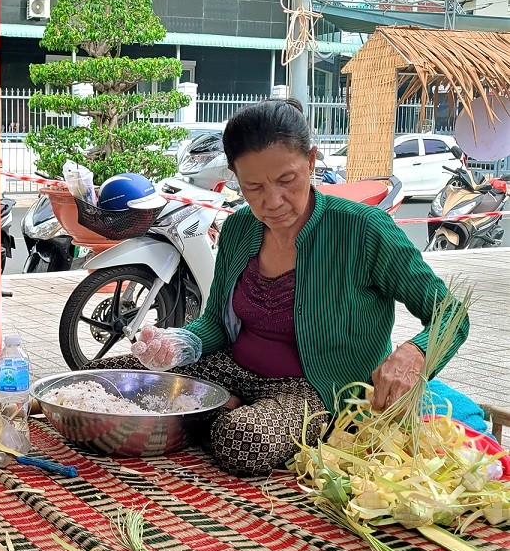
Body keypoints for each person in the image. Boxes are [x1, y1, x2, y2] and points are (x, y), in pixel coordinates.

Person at [93, 99, 469, 477]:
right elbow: (216, 324)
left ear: (310, 161)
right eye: (253, 187)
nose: (272, 202)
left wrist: (413, 353)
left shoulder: (363, 230)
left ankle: (215, 413)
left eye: (287, 180)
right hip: (233, 369)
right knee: (104, 380)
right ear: (235, 180)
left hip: (316, 392)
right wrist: (180, 343)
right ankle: (218, 406)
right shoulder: (240, 228)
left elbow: (451, 315)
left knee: (241, 440)